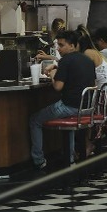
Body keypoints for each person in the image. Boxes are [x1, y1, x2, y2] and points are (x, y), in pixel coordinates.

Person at [30, 30, 96, 170]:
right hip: (87, 108)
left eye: (61, 45)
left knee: (35, 120)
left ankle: (39, 160)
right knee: (69, 126)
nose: (59, 48)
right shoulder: (87, 59)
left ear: (72, 46)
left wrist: (53, 73)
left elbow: (58, 87)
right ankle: (70, 158)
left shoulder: (66, 60)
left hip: (70, 106)